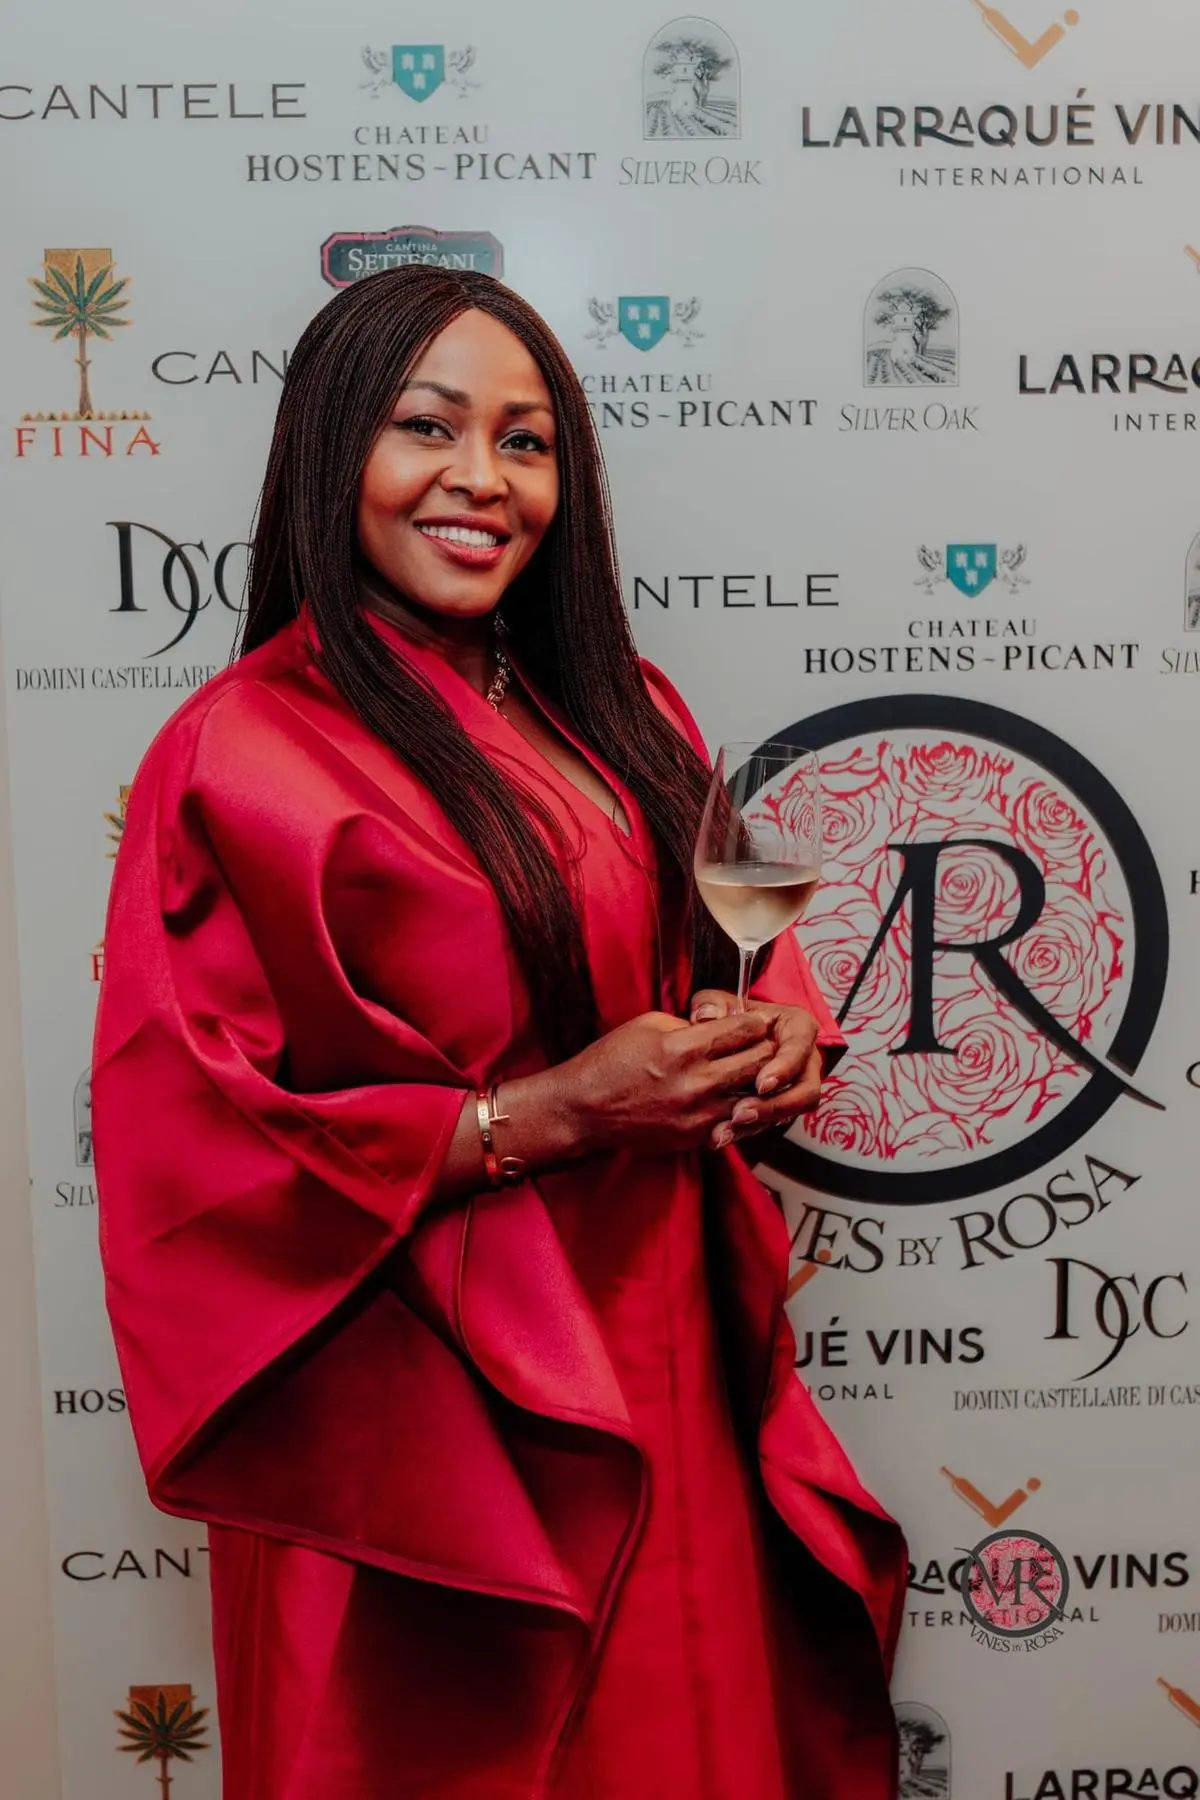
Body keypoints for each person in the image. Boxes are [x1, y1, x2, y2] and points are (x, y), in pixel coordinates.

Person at [94, 267, 907, 1800]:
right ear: (333, 448)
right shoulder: (238, 756)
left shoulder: (622, 706)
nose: (482, 478)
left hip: (660, 1354)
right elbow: (195, 1144)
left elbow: (726, 940)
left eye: (525, 442)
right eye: (429, 426)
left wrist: (775, 1037)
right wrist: (552, 1115)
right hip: (411, 1423)